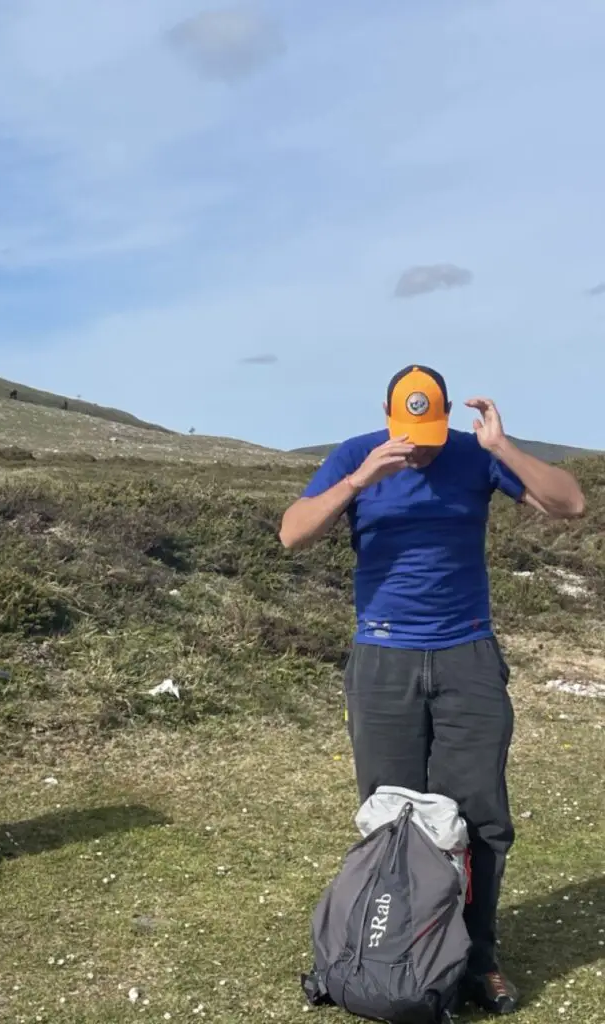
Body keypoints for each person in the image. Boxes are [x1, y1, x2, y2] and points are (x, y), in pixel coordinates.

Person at [279, 365, 585, 1016]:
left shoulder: (475, 456)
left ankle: (476, 960)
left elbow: (570, 504)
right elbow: (292, 533)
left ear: (447, 415)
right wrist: (360, 482)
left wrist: (502, 448)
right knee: (388, 816)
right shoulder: (356, 455)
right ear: (387, 417)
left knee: (478, 819)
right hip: (382, 658)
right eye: (408, 432)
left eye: (430, 431)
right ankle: (382, 951)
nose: (419, 446)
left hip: (467, 656)